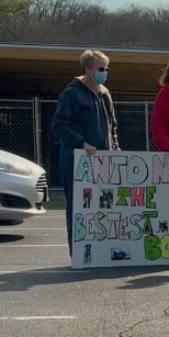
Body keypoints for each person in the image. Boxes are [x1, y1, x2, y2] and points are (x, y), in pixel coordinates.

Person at [51, 49, 118, 256]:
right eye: (100, 68)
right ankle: (80, 253)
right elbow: (59, 126)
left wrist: (115, 145)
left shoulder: (104, 93)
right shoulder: (71, 94)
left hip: (103, 160)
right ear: (88, 68)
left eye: (106, 68)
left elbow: (112, 125)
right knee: (79, 206)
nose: (104, 72)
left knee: (106, 204)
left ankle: (103, 250)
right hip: (76, 160)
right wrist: (82, 143)